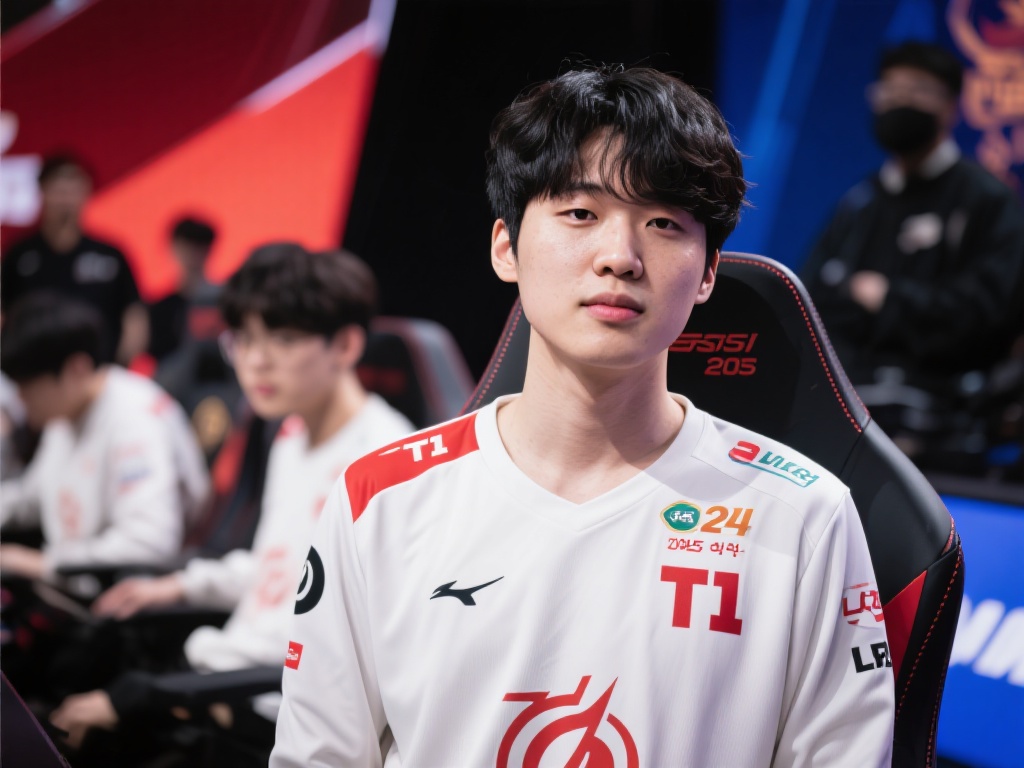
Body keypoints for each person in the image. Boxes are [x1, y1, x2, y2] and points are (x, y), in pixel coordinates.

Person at [270, 65, 895, 767]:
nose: (619, 258)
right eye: (580, 214)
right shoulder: (379, 498)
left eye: (663, 224)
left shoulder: (805, 515)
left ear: (708, 273)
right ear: (506, 247)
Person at [48, 244, 414, 756]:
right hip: (225, 677)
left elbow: (350, 644)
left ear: (347, 345)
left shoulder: (388, 463)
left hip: (276, 709)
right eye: (242, 339)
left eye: (283, 339)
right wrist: (177, 587)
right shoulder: (291, 436)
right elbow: (278, 571)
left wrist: (162, 696)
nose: (255, 361)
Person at [802, 41, 1024, 404]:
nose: (899, 101)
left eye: (916, 91)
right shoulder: (860, 203)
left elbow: (988, 314)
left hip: (949, 405)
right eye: (890, 90)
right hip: (849, 398)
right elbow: (809, 302)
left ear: (950, 107)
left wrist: (887, 298)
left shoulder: (987, 199)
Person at [0, 293, 209, 581]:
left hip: (131, 592)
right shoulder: (64, 414)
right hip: (77, 582)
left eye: (26, 387)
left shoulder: (135, 419)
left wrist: (45, 563)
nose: (20, 400)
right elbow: (33, 496)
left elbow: (149, 543)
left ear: (76, 369)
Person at [1, 154, 150, 366]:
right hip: (31, 373)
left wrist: (119, 366)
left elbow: (133, 316)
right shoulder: (19, 256)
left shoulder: (110, 256)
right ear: (42, 191)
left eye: (73, 190)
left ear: (86, 192)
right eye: (58, 190)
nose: (65, 200)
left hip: (98, 371)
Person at [147, 215, 221, 363]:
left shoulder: (222, 303)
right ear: (174, 248)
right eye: (187, 246)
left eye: (199, 246)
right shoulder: (159, 308)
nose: (193, 254)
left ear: (208, 250)